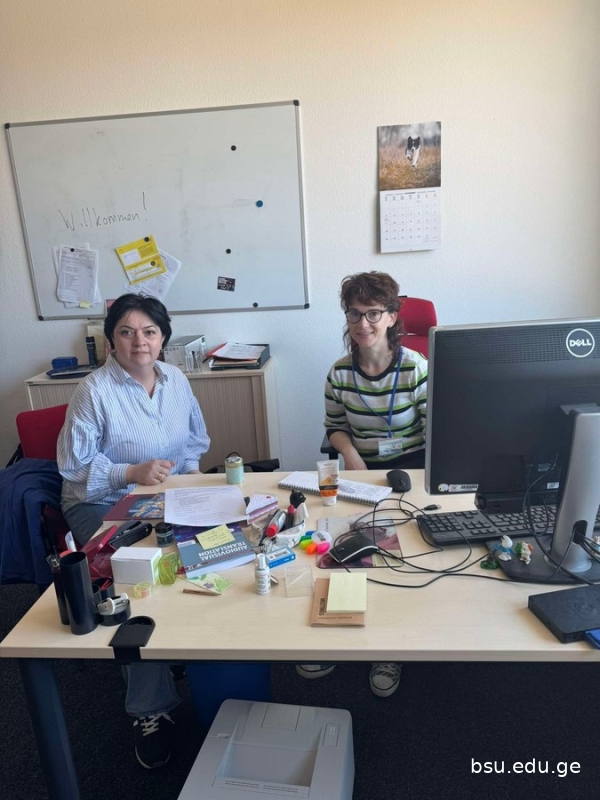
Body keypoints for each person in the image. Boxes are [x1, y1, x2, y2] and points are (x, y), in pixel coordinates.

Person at [57, 293, 210, 770]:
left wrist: (193, 489)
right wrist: (130, 473)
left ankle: (184, 650)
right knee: (136, 581)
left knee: (205, 552)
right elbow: (73, 468)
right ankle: (149, 709)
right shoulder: (93, 390)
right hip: (99, 503)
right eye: (126, 332)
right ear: (111, 342)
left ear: (163, 339)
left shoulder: (176, 380)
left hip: (160, 497)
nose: (139, 341)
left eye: (149, 332)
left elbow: (194, 443)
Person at [297, 271, 427, 697]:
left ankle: (388, 648)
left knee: (398, 555)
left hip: (410, 471)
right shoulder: (340, 373)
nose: (362, 323)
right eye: (354, 313)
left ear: (392, 316)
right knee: (342, 548)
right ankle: (337, 634)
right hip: (359, 471)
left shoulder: (415, 368)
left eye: (373, 313)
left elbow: (436, 429)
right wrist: (350, 455)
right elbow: (334, 427)